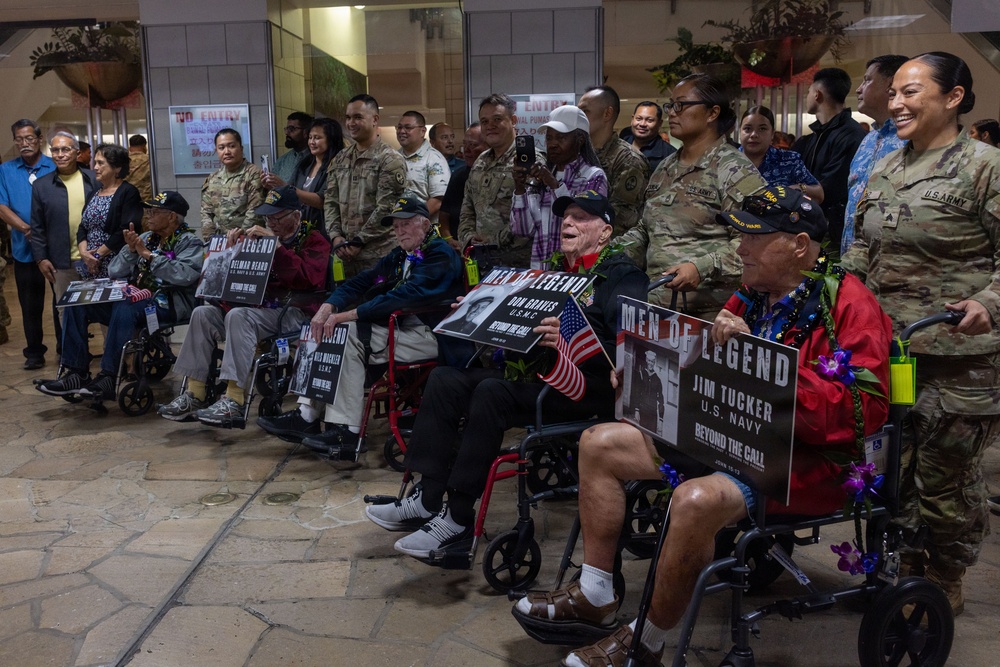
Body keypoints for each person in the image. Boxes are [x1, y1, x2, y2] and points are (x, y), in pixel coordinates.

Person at [515, 187, 892, 666]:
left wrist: (764, 364)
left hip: (797, 461)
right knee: (598, 444)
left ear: (800, 245)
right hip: (725, 435)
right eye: (740, 236)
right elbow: (700, 367)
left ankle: (646, 642)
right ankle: (595, 594)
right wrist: (640, 367)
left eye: (755, 237)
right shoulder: (751, 294)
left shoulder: (849, 303)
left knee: (693, 500)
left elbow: (864, 411)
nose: (740, 249)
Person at [366, 191, 648, 559]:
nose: (567, 223)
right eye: (565, 217)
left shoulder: (623, 277)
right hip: (538, 377)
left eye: (580, 218)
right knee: (445, 378)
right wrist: (475, 313)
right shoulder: (551, 274)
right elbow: (516, 327)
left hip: (587, 389)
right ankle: (428, 497)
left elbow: (631, 352)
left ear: (606, 232)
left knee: (492, 393)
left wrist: (569, 339)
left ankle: (458, 518)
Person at [843, 51, 1000, 615]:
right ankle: (906, 567)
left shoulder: (986, 167)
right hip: (893, 354)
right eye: (894, 93)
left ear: (953, 97)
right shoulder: (886, 168)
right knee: (896, 469)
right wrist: (837, 287)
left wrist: (988, 301)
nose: (896, 102)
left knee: (946, 481)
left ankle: (945, 575)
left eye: (911, 92)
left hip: (961, 358)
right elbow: (864, 246)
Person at [257, 196, 466, 456]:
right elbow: (365, 280)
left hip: (432, 334)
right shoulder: (401, 254)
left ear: (425, 224)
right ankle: (306, 415)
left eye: (406, 224)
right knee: (322, 328)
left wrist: (348, 315)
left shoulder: (439, 254)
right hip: (401, 327)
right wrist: (328, 307)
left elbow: (408, 295)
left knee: (344, 334)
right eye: (396, 226)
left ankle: (348, 432)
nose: (399, 231)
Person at [158, 185, 330, 424]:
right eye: (268, 216)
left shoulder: (314, 240)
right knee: (202, 313)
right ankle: (195, 393)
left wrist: (277, 248)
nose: (271, 222)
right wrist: (230, 253)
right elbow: (227, 287)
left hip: (294, 310)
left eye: (277, 217)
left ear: (297, 216)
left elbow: (309, 279)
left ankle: (234, 400)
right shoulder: (257, 239)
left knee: (239, 316)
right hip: (256, 309)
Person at [617, 74, 767, 319]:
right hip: (655, 308)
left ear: (712, 113)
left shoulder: (734, 169)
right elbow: (647, 230)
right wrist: (607, 252)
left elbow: (757, 241)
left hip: (711, 317)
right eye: (670, 105)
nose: (672, 113)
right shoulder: (664, 168)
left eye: (681, 105)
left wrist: (702, 267)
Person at [35, 191, 203, 399]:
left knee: (126, 305)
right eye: (147, 210)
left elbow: (185, 275)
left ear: (171, 216)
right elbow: (115, 271)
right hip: (135, 300)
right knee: (77, 303)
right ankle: (76, 372)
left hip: (167, 304)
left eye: (154, 211)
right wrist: (131, 251)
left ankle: (109, 375)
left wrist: (148, 256)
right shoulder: (145, 238)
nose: (148, 215)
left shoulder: (190, 242)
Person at [511, 104, 608, 268]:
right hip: (540, 274)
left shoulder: (593, 176)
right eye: (549, 138)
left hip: (576, 272)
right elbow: (522, 231)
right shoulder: (539, 179)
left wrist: (554, 185)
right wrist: (520, 189)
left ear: (580, 140)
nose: (553, 144)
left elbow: (586, 228)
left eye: (561, 137)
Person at [325, 94, 408, 277]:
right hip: (344, 256)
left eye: (358, 117)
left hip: (379, 258)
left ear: (375, 119)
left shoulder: (390, 159)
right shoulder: (340, 159)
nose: (351, 123)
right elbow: (330, 201)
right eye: (348, 118)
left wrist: (359, 241)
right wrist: (336, 237)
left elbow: (387, 208)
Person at [0, 119, 57, 368]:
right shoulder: (6, 170)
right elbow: (1, 205)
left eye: (29, 138)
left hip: (56, 246)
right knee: (30, 304)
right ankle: (34, 353)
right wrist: (25, 228)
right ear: (14, 141)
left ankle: (67, 349)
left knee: (61, 301)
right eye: (19, 139)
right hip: (24, 247)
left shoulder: (54, 166)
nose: (24, 143)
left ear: (39, 139)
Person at [791, 67, 868, 249]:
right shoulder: (815, 135)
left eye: (808, 92)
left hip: (833, 234)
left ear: (817, 94)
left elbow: (831, 190)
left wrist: (795, 189)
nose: (807, 97)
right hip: (811, 225)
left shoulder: (851, 134)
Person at [841, 54, 909, 256]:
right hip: (854, 261)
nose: (859, 89)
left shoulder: (912, 141)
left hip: (892, 265)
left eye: (867, 80)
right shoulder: (868, 141)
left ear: (891, 85)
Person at [457, 93, 532, 268]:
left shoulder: (528, 160)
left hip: (518, 264)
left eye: (497, 119)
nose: (490, 126)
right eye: (484, 121)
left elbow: (531, 216)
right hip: (479, 261)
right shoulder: (480, 161)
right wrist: (468, 238)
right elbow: (467, 207)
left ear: (513, 120)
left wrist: (492, 242)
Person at [29, 131, 99, 320]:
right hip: (61, 263)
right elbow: (37, 227)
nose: (60, 154)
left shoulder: (94, 180)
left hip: (96, 259)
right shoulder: (41, 186)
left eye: (65, 149)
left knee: (104, 311)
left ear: (77, 153)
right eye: (55, 150)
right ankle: (75, 351)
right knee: (67, 314)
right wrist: (41, 258)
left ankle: (110, 351)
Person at [578, 86, 650, 235]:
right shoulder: (578, 154)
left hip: (610, 248)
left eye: (585, 111)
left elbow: (621, 220)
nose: (579, 117)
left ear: (607, 114)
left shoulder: (628, 159)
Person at [74, 143, 143, 280]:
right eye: (95, 163)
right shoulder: (95, 192)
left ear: (117, 168)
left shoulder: (128, 192)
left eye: (100, 163)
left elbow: (125, 230)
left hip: (114, 263)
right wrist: (84, 253)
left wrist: (98, 255)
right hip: (90, 263)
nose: (95, 168)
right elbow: (83, 226)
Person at [261, 117, 344, 227]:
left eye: (317, 138)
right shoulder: (304, 164)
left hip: (325, 227)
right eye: (310, 138)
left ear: (331, 139)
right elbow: (289, 192)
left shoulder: (337, 166)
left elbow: (322, 201)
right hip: (301, 228)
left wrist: (286, 187)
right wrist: (272, 186)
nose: (312, 142)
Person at [739, 106, 824, 202]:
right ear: (740, 131)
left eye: (762, 129)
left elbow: (819, 194)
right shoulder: (726, 161)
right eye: (747, 128)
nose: (754, 134)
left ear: (772, 134)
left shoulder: (789, 160)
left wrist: (794, 189)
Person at [200, 128, 265, 240]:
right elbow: (206, 212)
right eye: (221, 148)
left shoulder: (253, 174)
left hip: (248, 240)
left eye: (231, 146)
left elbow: (255, 211)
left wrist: (241, 237)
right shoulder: (213, 178)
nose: (227, 152)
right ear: (216, 150)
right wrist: (211, 239)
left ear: (241, 148)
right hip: (219, 241)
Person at [396, 110, 450, 220]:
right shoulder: (394, 158)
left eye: (408, 127)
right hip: (396, 228)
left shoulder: (434, 159)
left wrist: (412, 220)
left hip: (423, 229)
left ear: (422, 131)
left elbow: (438, 201)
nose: (402, 131)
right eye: (399, 127)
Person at [439, 122, 485, 243]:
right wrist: (448, 239)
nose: (467, 150)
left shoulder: (498, 175)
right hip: (457, 246)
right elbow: (444, 215)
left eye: (473, 145)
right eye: (465, 144)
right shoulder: (458, 176)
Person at [619, 101, 676, 172]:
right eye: (638, 119)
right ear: (632, 119)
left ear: (659, 123)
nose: (642, 124)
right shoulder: (619, 145)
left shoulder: (670, 155)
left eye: (649, 120)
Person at [268, 111, 313, 184]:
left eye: (291, 129)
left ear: (305, 132)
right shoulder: (283, 160)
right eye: (287, 129)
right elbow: (273, 185)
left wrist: (284, 186)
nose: (287, 133)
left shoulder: (315, 158)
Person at [629, 349, 664, 433]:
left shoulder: (658, 380)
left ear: (654, 363)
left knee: (652, 436)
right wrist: (636, 411)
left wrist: (661, 420)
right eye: (649, 361)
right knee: (641, 434)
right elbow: (636, 393)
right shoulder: (641, 374)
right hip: (642, 410)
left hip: (653, 413)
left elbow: (661, 401)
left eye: (652, 362)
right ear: (646, 360)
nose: (650, 363)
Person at [126, 134, 153, 204]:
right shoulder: (150, 160)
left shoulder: (122, 160)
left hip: (127, 201)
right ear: (144, 146)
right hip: (146, 202)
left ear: (129, 147)